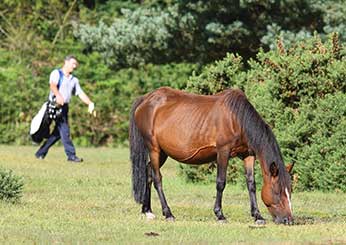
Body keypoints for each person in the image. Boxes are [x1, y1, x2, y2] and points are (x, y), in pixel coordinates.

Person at [35, 55, 95, 162]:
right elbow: (52, 85)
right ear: (66, 63)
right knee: (63, 130)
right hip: (54, 106)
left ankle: (40, 153)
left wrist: (90, 103)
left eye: (76, 64)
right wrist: (58, 95)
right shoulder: (56, 73)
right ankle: (71, 155)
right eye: (73, 63)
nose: (75, 66)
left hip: (64, 108)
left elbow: (80, 93)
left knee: (58, 134)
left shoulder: (74, 80)